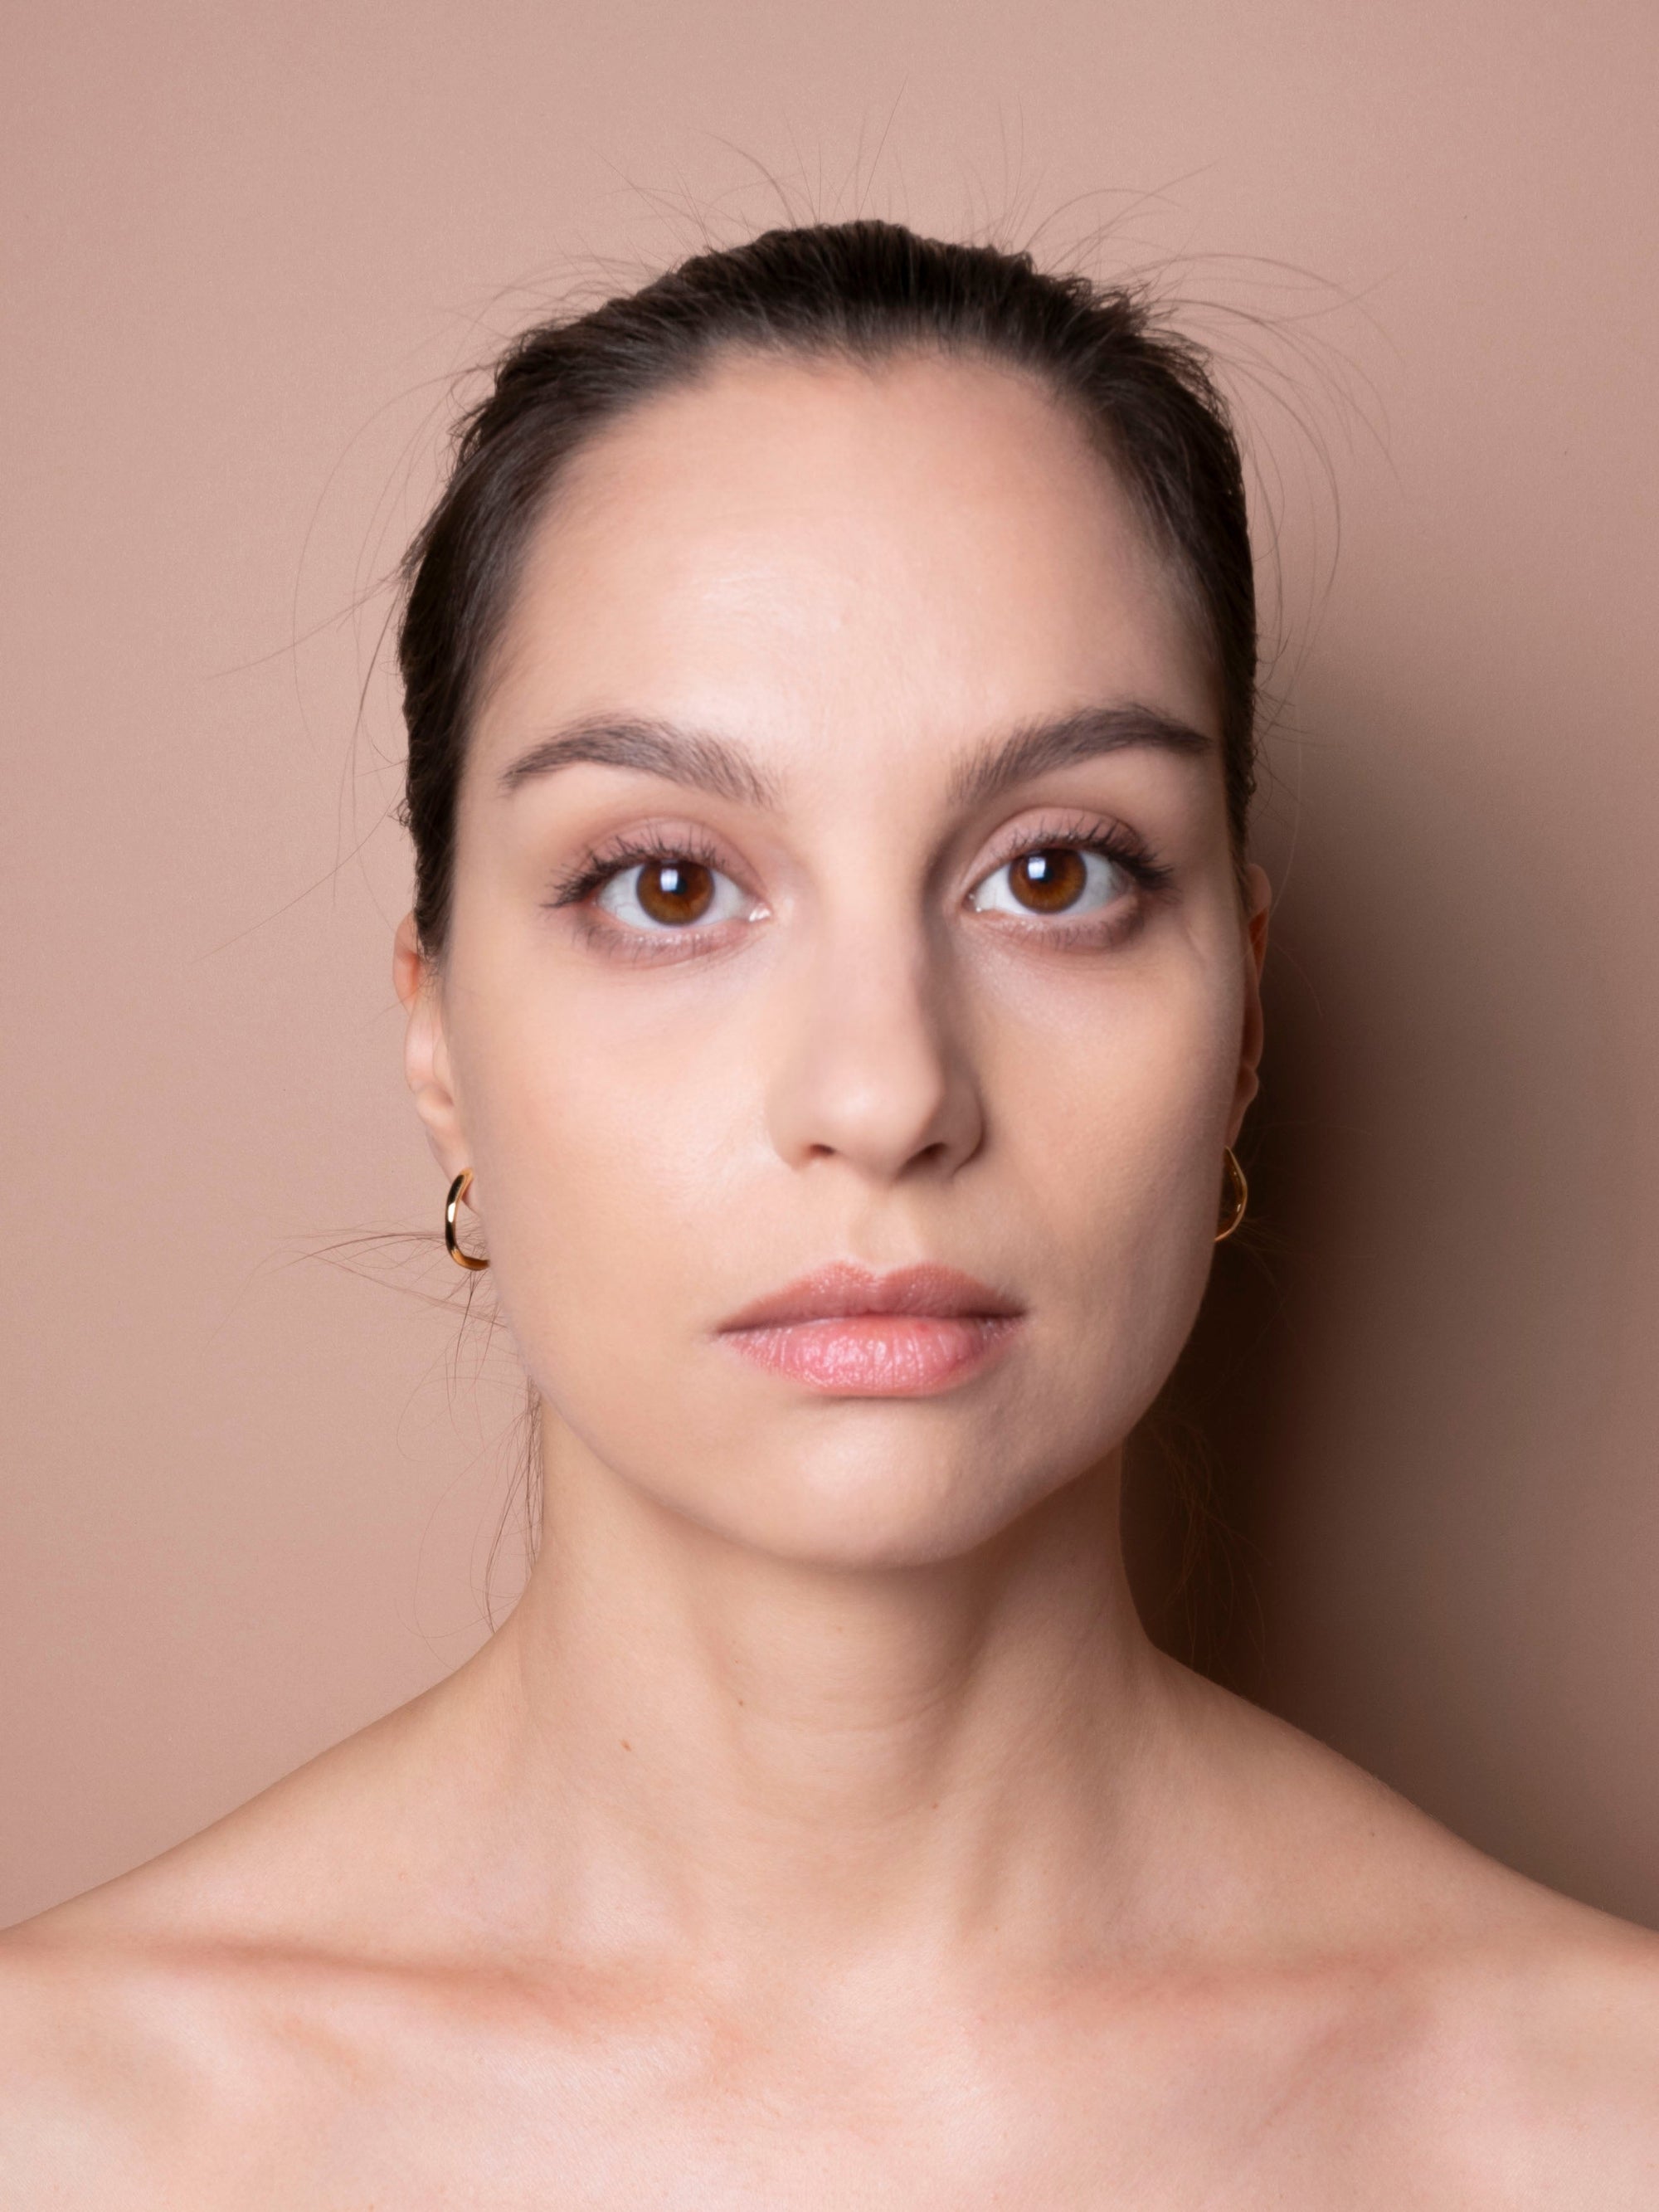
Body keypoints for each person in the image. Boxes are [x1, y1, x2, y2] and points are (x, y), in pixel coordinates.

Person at [2, 219, 1654, 2205]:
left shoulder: (1595, 2118)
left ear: (1239, 1023)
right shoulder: (62, 2123)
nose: (885, 1092)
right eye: (671, 886)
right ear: (436, 1032)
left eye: (1053, 874)